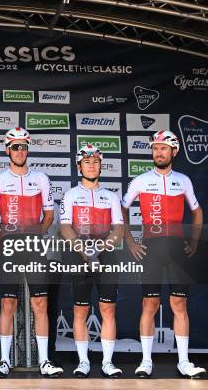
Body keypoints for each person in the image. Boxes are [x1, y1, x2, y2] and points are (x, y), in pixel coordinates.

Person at [121, 130, 205, 379]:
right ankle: (146, 361)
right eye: (155, 148)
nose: (159, 152)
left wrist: (195, 241)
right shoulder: (140, 180)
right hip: (151, 248)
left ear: (174, 152)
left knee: (179, 304)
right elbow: (122, 210)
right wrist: (130, 242)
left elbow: (197, 212)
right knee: (150, 303)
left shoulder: (184, 180)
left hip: (178, 249)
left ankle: (184, 362)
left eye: (164, 148)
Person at [0, 127, 61, 378]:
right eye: (15, 147)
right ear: (8, 150)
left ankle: (44, 361)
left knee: (40, 303)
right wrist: (0, 242)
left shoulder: (41, 178)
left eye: (23, 146)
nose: (20, 151)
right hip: (9, 248)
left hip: (34, 247)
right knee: (8, 303)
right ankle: (4, 360)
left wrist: (35, 235)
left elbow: (49, 215)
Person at [60, 144, 124, 378]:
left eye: (96, 162)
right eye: (86, 162)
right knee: (80, 310)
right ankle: (83, 361)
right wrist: (83, 248)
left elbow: (118, 229)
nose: (91, 166)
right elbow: (65, 227)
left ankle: (107, 362)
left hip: (106, 255)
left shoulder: (111, 196)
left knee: (108, 309)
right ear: (79, 166)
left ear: (100, 165)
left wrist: (101, 247)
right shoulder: (70, 195)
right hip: (78, 255)